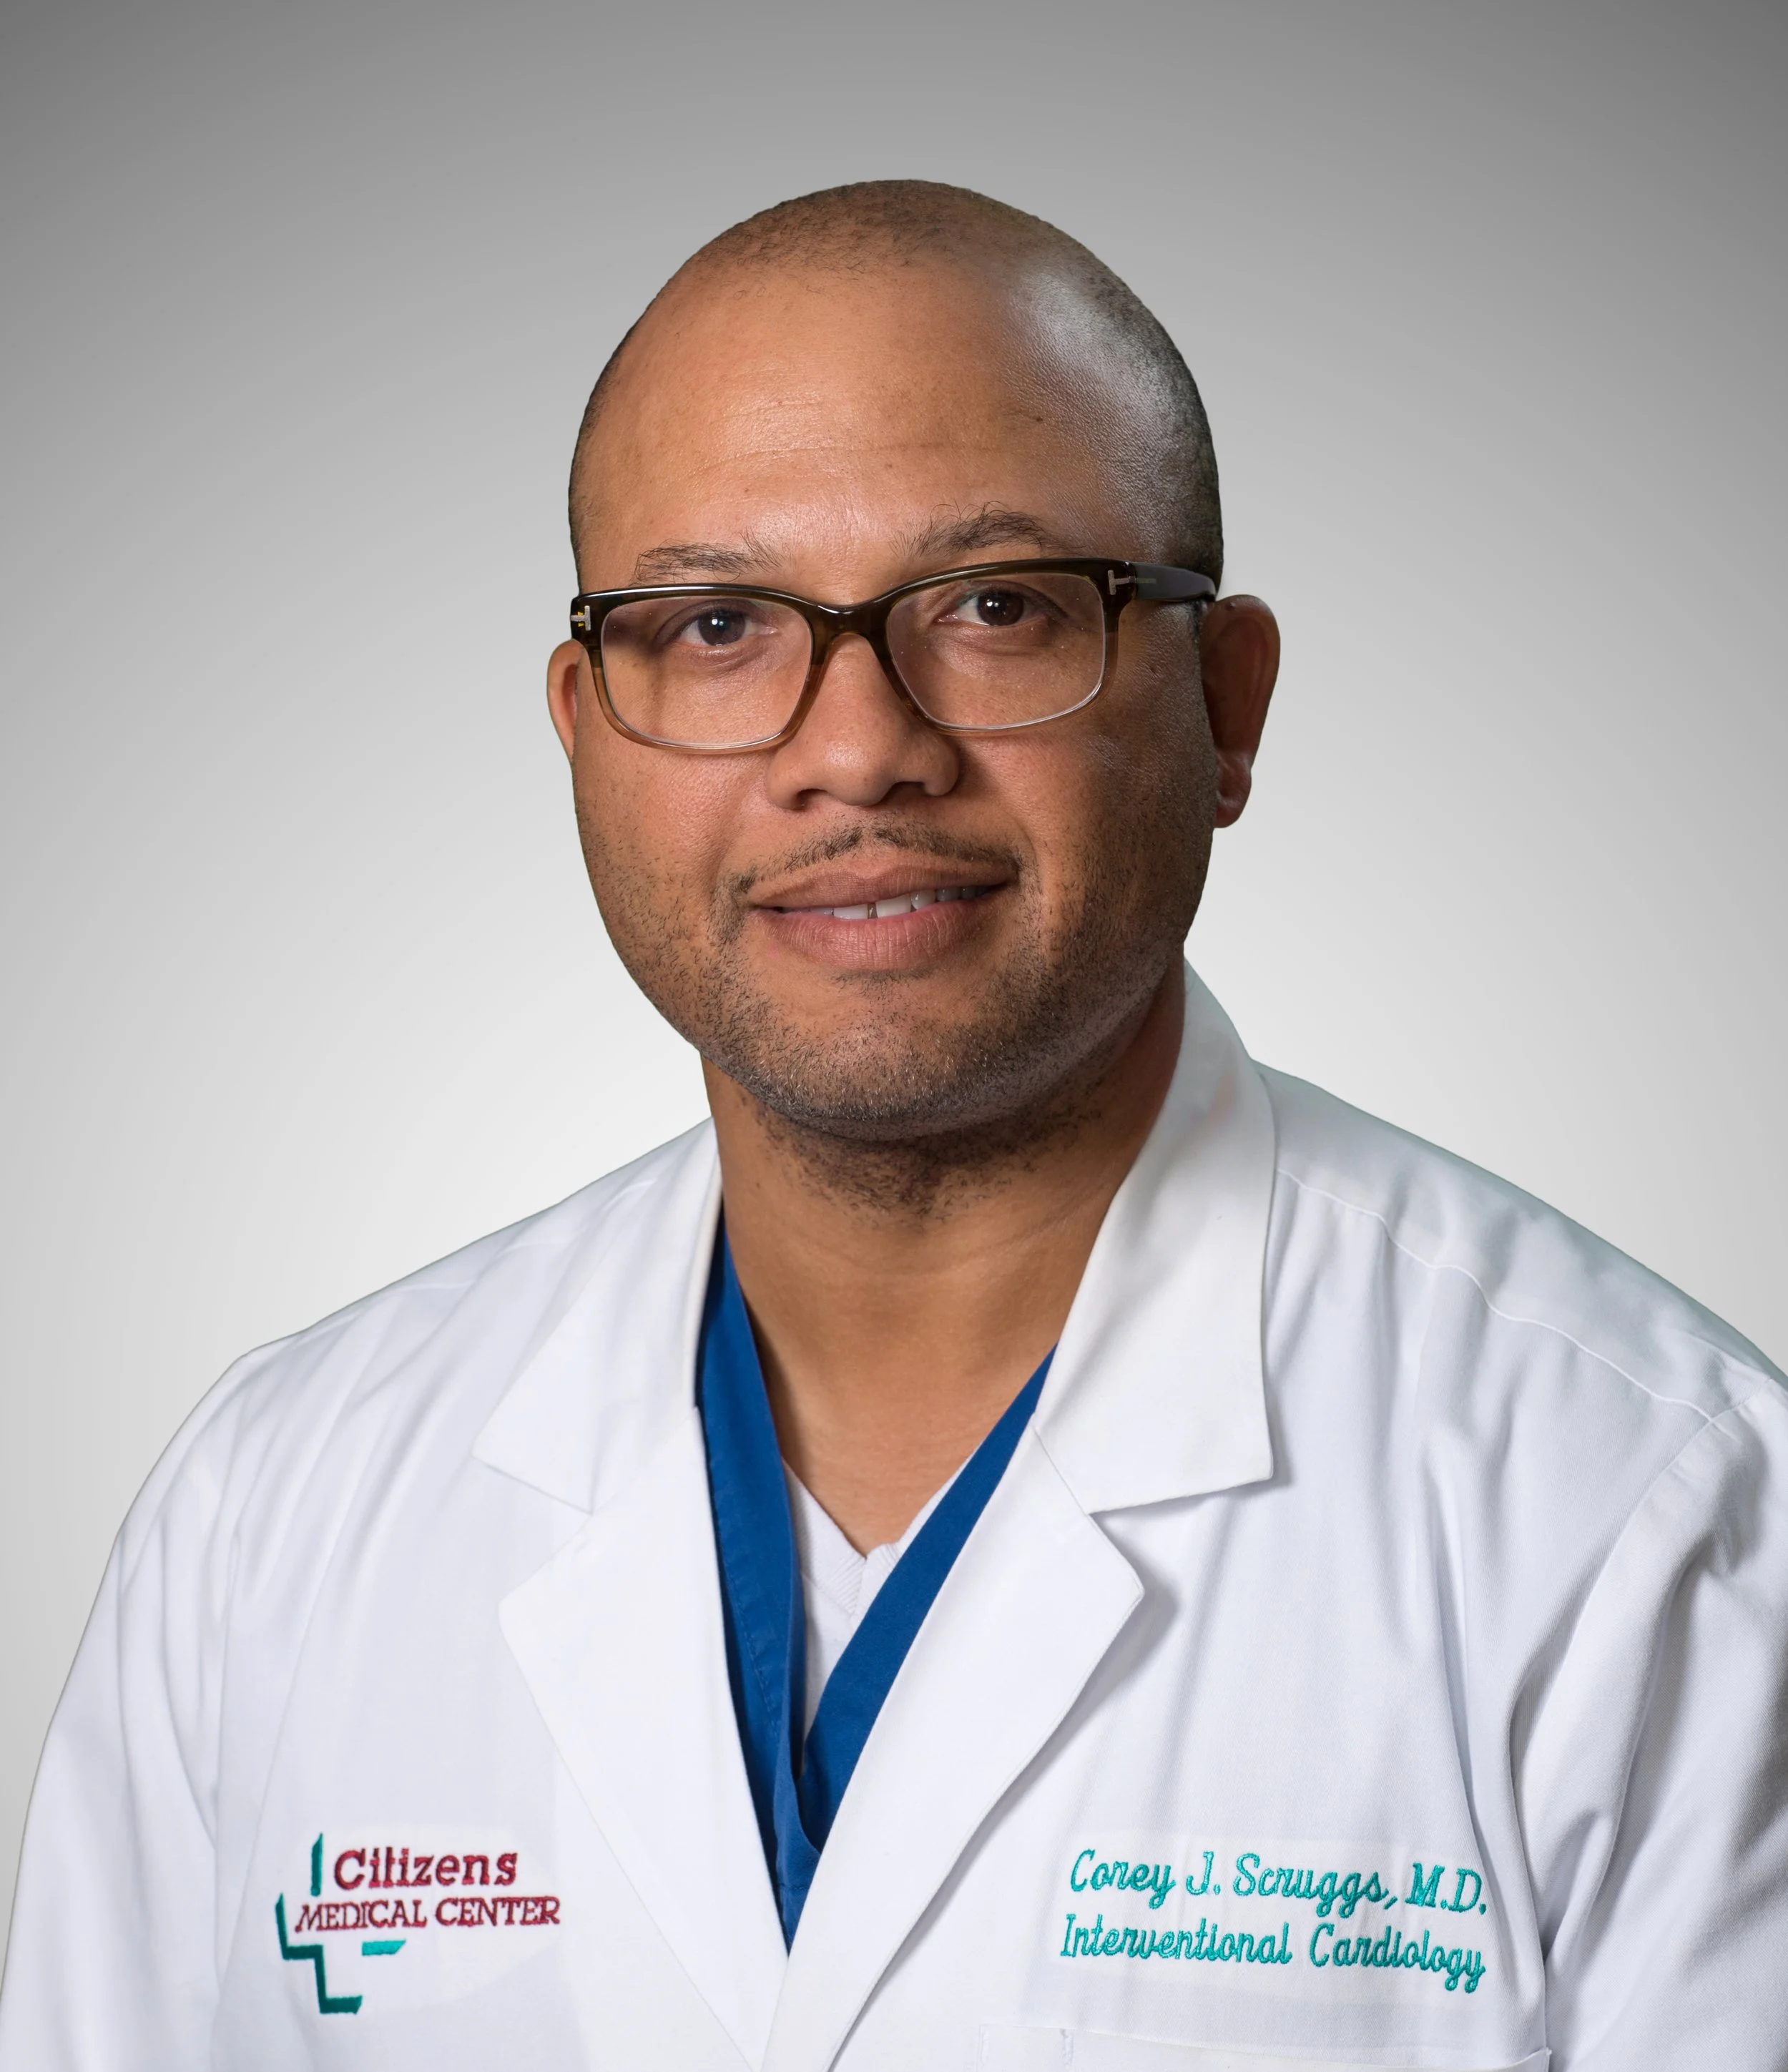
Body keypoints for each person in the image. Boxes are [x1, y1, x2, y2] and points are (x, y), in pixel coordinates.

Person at [1, 179, 1783, 2072]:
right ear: (581, 730)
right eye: (710, 627)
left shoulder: (1655, 1525)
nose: (854, 747)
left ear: (1225, 702)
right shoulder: (278, 1504)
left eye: (997, 607)